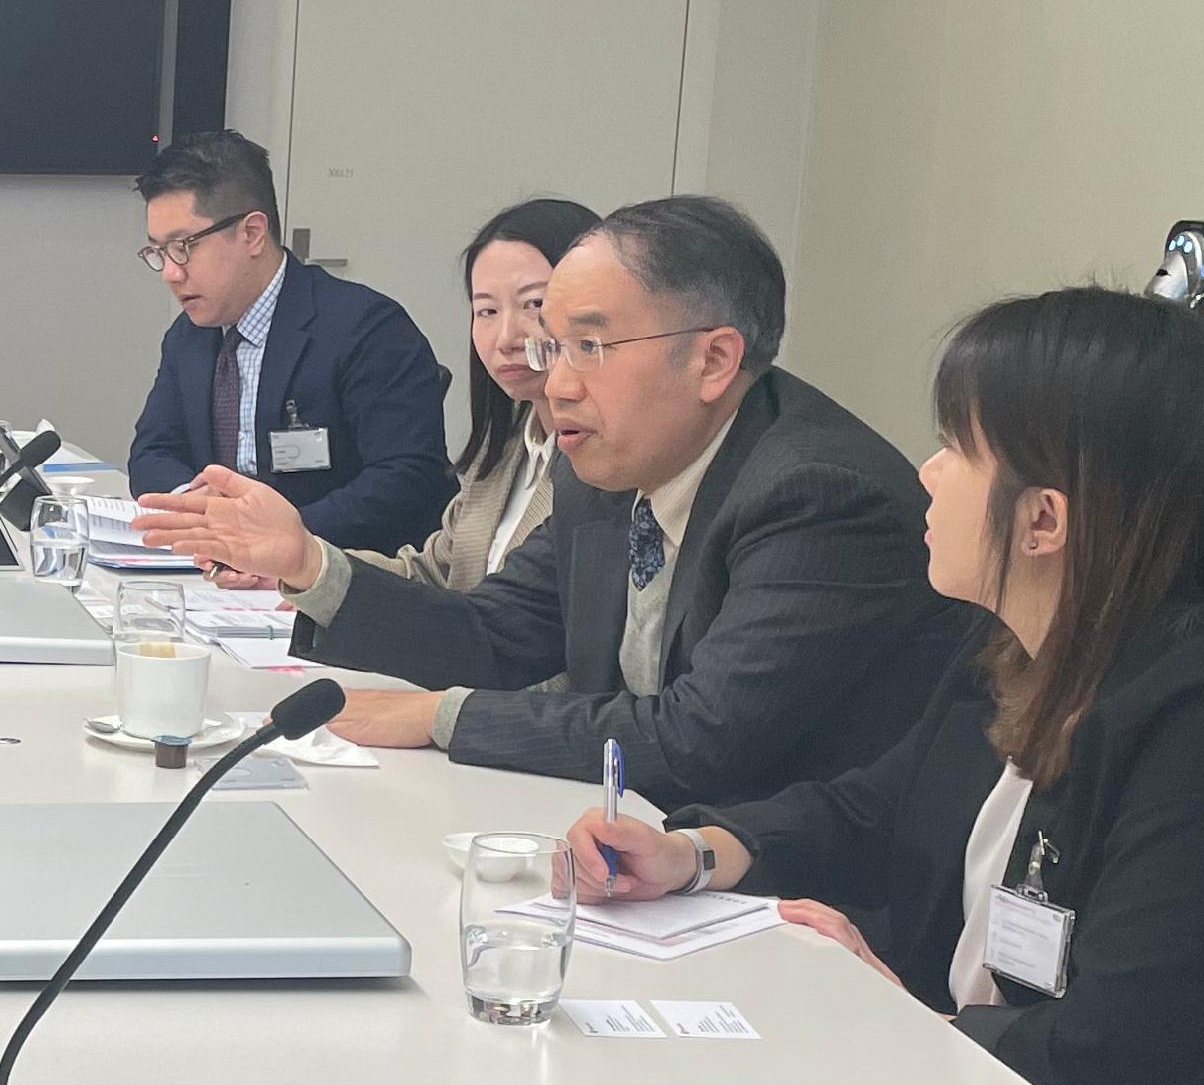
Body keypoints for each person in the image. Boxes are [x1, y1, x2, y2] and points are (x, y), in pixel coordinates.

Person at [558, 285, 1204, 1085]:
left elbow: (1124, 1052)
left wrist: (900, 1024)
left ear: (1043, 519)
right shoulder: (1026, 643)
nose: (926, 474)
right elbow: (876, 810)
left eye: (954, 450)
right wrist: (694, 855)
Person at [140, 194, 966, 799]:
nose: (556, 383)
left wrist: (439, 717)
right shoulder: (606, 465)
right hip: (643, 850)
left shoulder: (817, 497)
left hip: (809, 906)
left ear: (714, 361)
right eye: (553, 345)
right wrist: (308, 563)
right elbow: (498, 636)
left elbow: (699, 739)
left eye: (591, 347)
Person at [120, 129, 454, 559]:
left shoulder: (364, 328)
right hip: (222, 571)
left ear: (253, 233)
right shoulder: (190, 334)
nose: (170, 272)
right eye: (158, 252)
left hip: (339, 570)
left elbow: (406, 478)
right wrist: (199, 509)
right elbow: (153, 451)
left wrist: (275, 540)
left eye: (183, 247)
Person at [352, 195, 597, 590]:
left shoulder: (608, 463)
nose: (506, 338)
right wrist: (303, 562)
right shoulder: (504, 447)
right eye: (486, 311)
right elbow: (435, 574)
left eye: (535, 304)